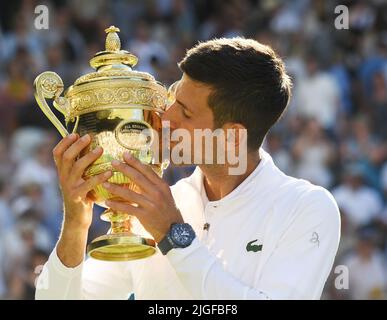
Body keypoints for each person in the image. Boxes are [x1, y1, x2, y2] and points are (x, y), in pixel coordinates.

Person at [35, 38, 340, 300]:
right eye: (172, 100)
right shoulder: (157, 206)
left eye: (185, 112)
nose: (165, 119)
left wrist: (173, 235)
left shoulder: (307, 207)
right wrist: (76, 223)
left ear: (232, 135)